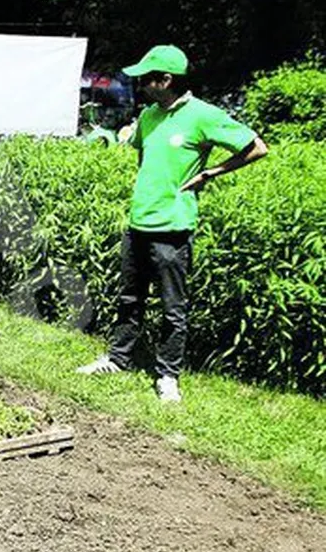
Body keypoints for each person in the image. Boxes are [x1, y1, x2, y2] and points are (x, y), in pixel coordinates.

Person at [77, 45, 267, 403]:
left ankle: (167, 376)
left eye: (147, 79)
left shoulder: (203, 115)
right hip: (138, 223)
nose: (140, 85)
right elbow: (139, 149)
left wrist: (210, 172)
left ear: (166, 80)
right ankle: (118, 359)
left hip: (173, 228)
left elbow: (257, 147)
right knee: (129, 298)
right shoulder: (150, 115)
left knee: (172, 307)